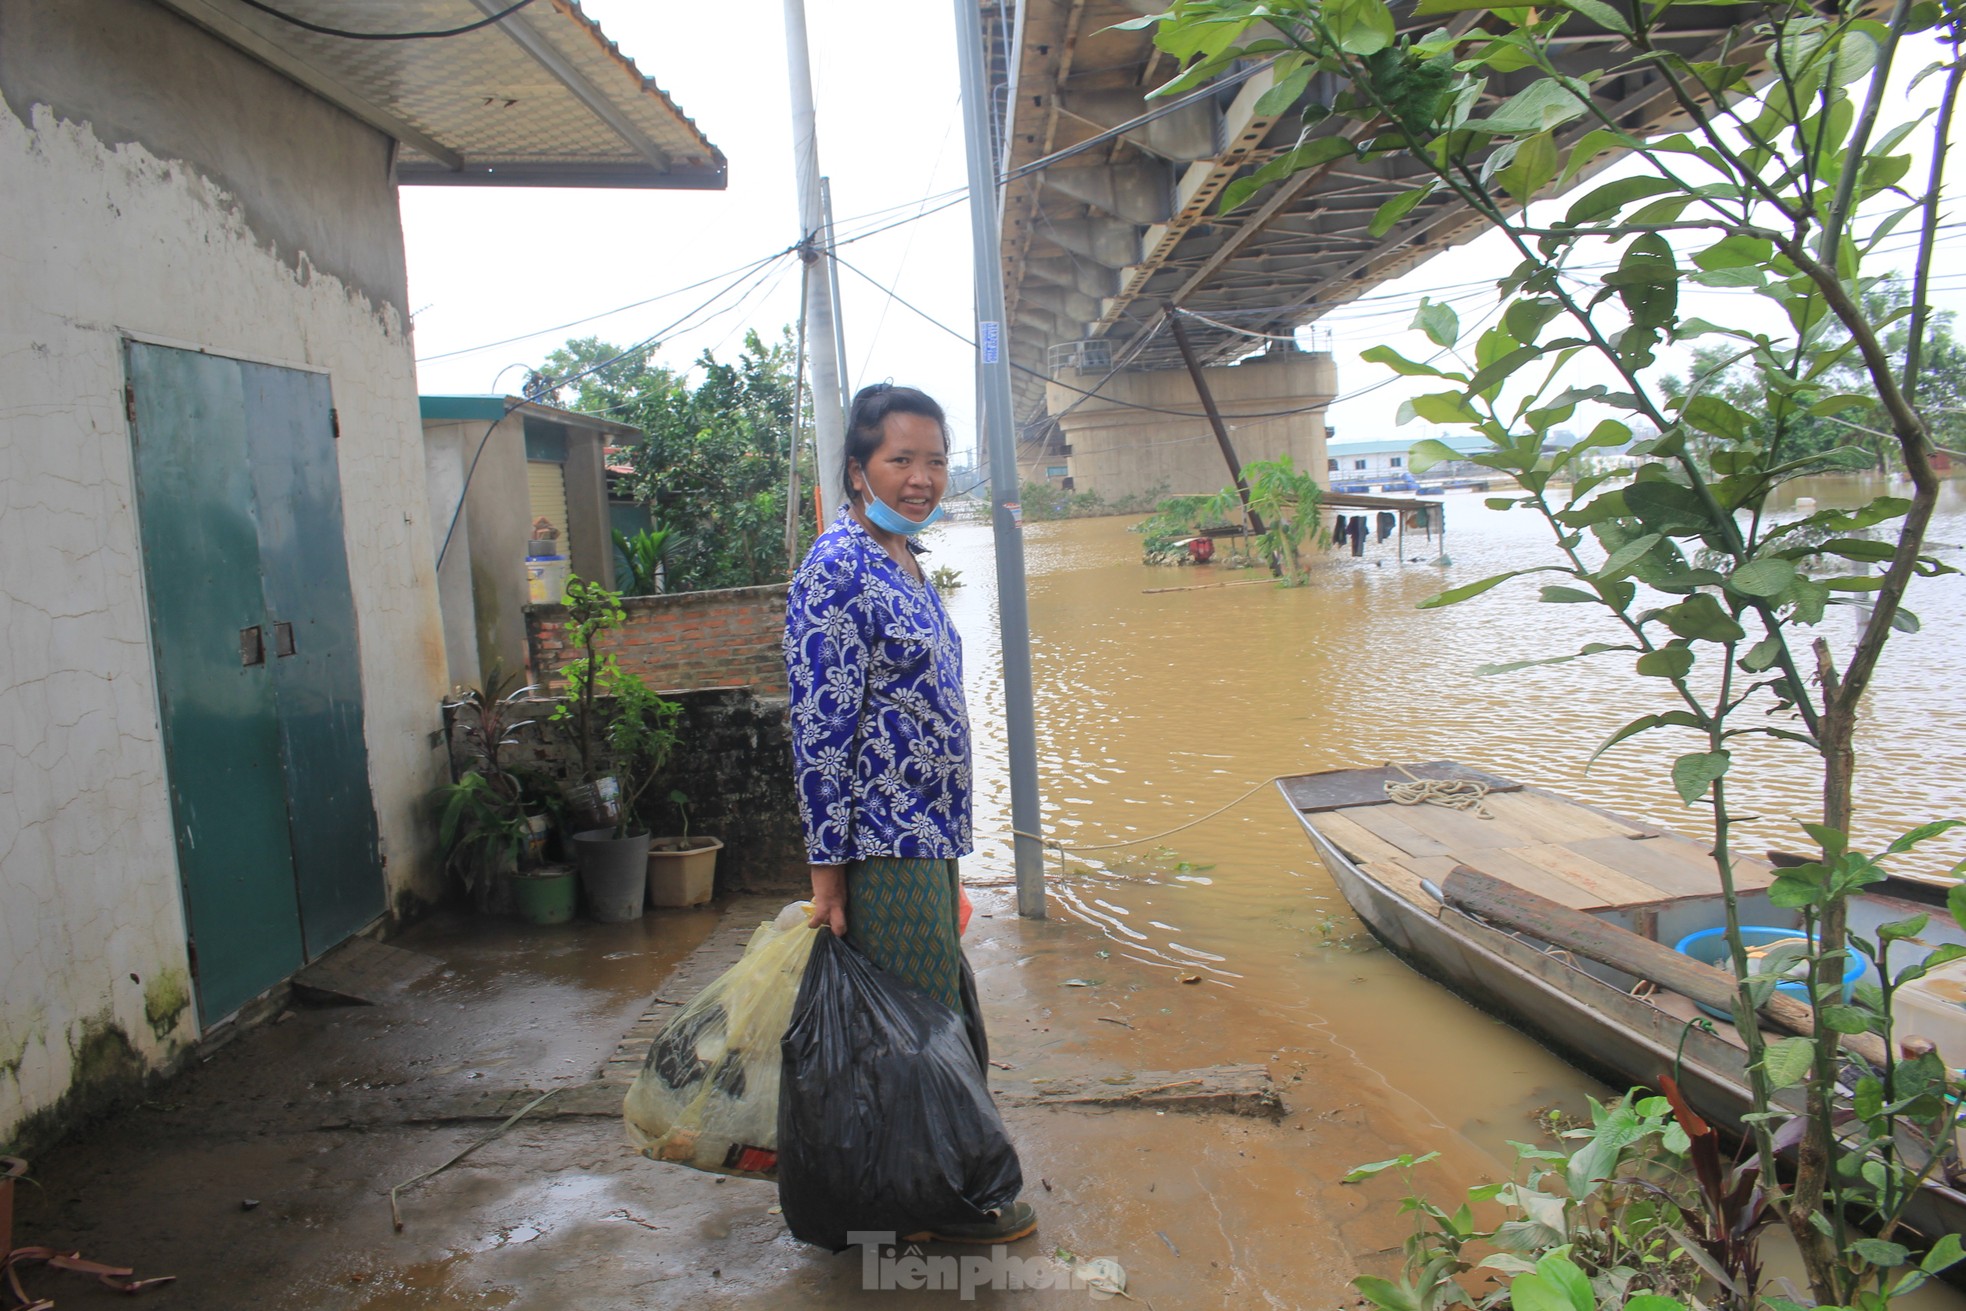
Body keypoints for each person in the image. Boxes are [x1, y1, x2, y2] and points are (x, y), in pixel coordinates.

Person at [782, 382, 1037, 1245]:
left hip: (928, 836)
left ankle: (923, 1192)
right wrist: (828, 878)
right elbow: (821, 730)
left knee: (929, 1013)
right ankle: (933, 1209)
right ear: (859, 469)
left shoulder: (904, 556)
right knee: (913, 1029)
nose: (922, 476)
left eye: (933, 459)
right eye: (902, 459)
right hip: (879, 844)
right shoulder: (838, 565)